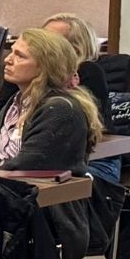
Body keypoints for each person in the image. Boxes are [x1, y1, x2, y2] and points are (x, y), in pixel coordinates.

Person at [0, 27, 102, 174]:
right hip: (6, 186)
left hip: (37, 193)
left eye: (20, 56)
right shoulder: (16, 102)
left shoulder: (61, 110)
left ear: (45, 66)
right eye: (12, 52)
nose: (8, 60)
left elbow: (27, 166)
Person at [39, 12, 119, 182]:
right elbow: (0, 112)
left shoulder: (88, 71)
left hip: (92, 160)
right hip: (42, 156)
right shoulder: (25, 70)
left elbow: (77, 128)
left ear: (76, 49)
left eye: (50, 39)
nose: (40, 43)